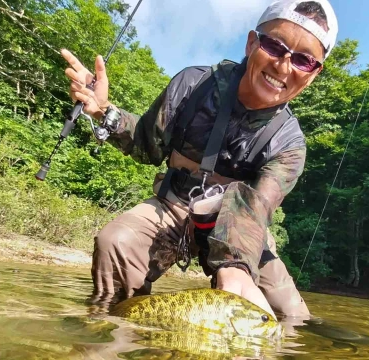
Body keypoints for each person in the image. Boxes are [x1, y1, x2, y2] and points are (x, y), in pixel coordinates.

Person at [61, 0, 338, 319]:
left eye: (304, 60)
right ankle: (109, 330)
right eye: (275, 46)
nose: (284, 66)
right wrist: (103, 111)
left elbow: (256, 208)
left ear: (314, 74)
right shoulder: (191, 86)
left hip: (239, 230)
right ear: (251, 43)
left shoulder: (289, 144)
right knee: (115, 243)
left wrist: (236, 270)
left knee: (290, 319)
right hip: (172, 207)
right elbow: (146, 146)